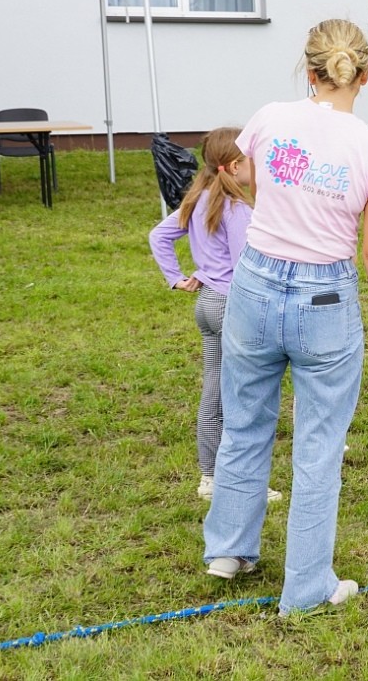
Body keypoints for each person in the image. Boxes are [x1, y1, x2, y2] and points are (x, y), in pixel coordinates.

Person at [202, 19, 368, 614]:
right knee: (319, 445)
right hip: (326, 300)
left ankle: (229, 550)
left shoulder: (268, 118)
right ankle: (308, 585)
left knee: (244, 421)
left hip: (255, 286)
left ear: (309, 70)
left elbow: (250, 179)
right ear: (365, 75)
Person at [149, 127, 282, 504]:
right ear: (235, 166)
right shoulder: (237, 209)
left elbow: (158, 235)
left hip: (207, 306)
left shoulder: (199, 198)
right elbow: (246, 266)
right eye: (253, 161)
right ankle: (246, 482)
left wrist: (176, 277)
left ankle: (209, 477)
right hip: (233, 308)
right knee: (246, 400)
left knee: (214, 394)